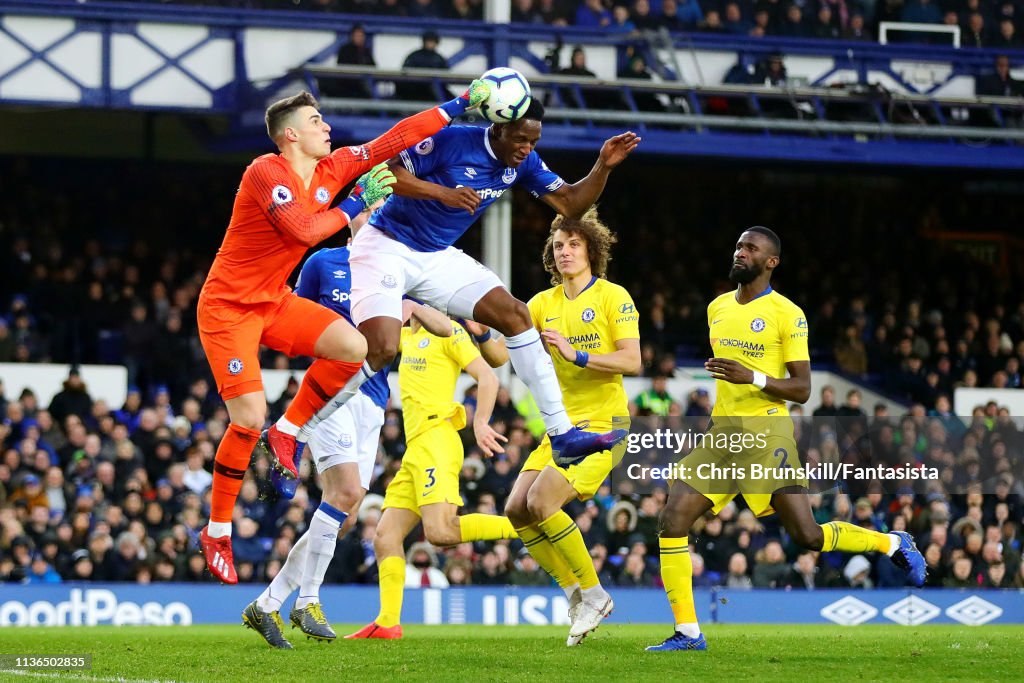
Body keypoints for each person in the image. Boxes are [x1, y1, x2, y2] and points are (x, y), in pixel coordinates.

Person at [197, 83, 491, 584]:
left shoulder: (331, 166)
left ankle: (287, 434)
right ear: (290, 135)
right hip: (228, 308)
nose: (327, 128)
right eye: (316, 122)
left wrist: (459, 104)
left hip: (273, 300)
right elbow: (304, 232)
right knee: (246, 418)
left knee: (355, 347)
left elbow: (395, 138)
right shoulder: (266, 172)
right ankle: (217, 529)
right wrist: (354, 204)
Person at [298, 98, 639, 477]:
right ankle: (298, 428)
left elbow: (571, 204)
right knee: (380, 349)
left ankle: (561, 435)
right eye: (520, 139)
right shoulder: (452, 140)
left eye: (534, 142)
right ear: (498, 129)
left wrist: (602, 167)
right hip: (387, 243)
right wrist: (445, 193)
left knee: (515, 315)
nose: (527, 149)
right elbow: (389, 174)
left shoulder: (522, 163)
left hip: (436, 254)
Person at [647, 227, 926, 652]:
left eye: (750, 248)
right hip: (722, 436)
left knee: (807, 536)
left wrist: (751, 376)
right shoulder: (717, 307)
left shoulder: (787, 313)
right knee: (672, 519)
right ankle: (688, 632)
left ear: (771, 261)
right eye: (738, 245)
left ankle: (892, 542)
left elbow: (802, 389)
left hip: (767, 434)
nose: (740, 252)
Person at [241, 209, 452, 648]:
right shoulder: (323, 263)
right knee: (347, 494)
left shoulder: (398, 269)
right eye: (371, 210)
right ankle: (308, 601)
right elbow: (294, 327)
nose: (378, 219)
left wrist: (410, 303)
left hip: (373, 402)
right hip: (330, 393)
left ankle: (267, 604)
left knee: (344, 512)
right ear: (355, 216)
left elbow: (444, 327)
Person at [502, 208, 641, 646]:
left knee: (542, 502)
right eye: (559, 245)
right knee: (515, 509)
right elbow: (509, 341)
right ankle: (575, 593)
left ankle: (596, 594)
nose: (565, 252)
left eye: (574, 245)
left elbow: (632, 361)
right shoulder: (542, 304)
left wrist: (576, 355)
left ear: (592, 251)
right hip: (560, 426)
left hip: (603, 424)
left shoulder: (612, 297)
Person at [346, 317, 514, 640]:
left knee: (440, 531)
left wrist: (480, 422)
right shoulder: (405, 336)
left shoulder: (450, 332)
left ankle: (523, 526)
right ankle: (387, 622)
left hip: (438, 439)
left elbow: (488, 377)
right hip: (415, 450)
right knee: (385, 537)